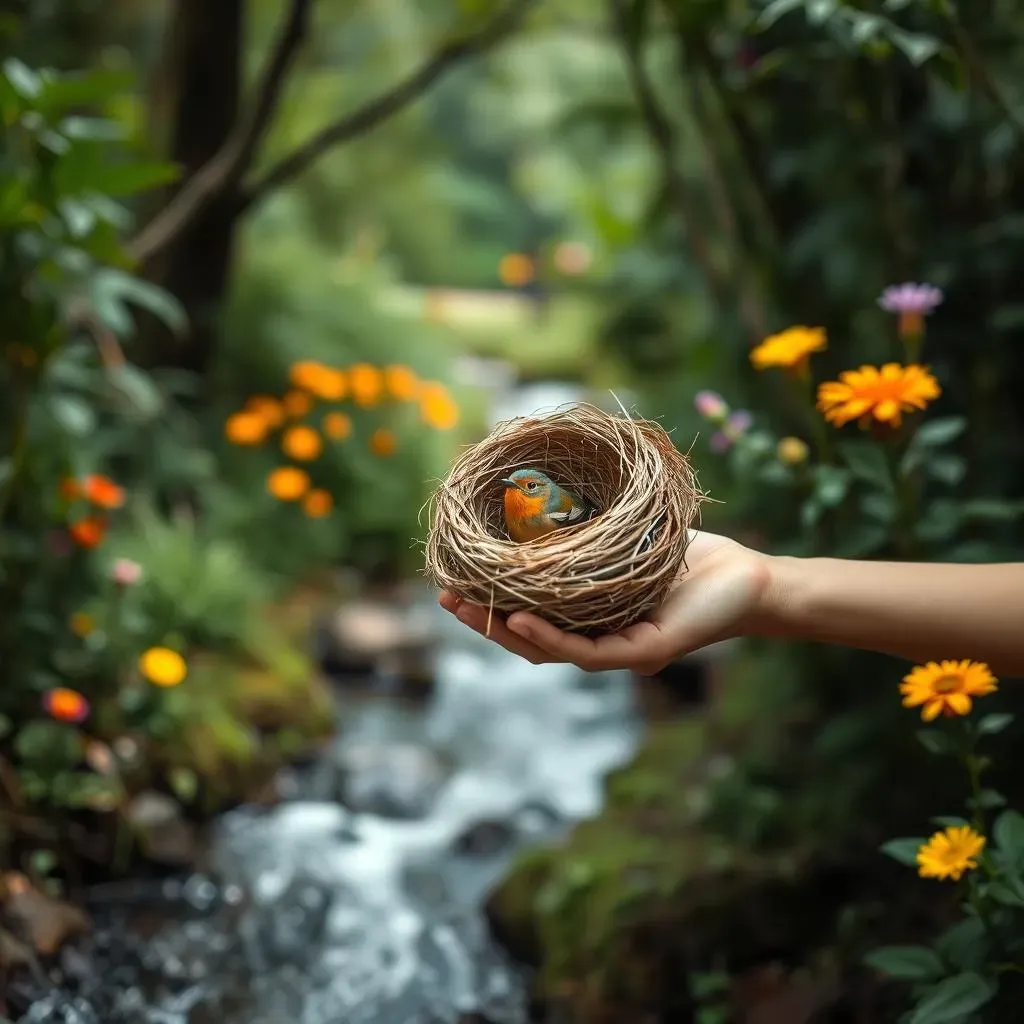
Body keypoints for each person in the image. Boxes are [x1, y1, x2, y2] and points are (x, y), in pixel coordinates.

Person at [438, 530, 1024, 677]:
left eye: (530, 487)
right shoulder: (521, 508)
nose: (520, 494)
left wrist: (764, 587)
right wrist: (762, 585)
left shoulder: (554, 508)